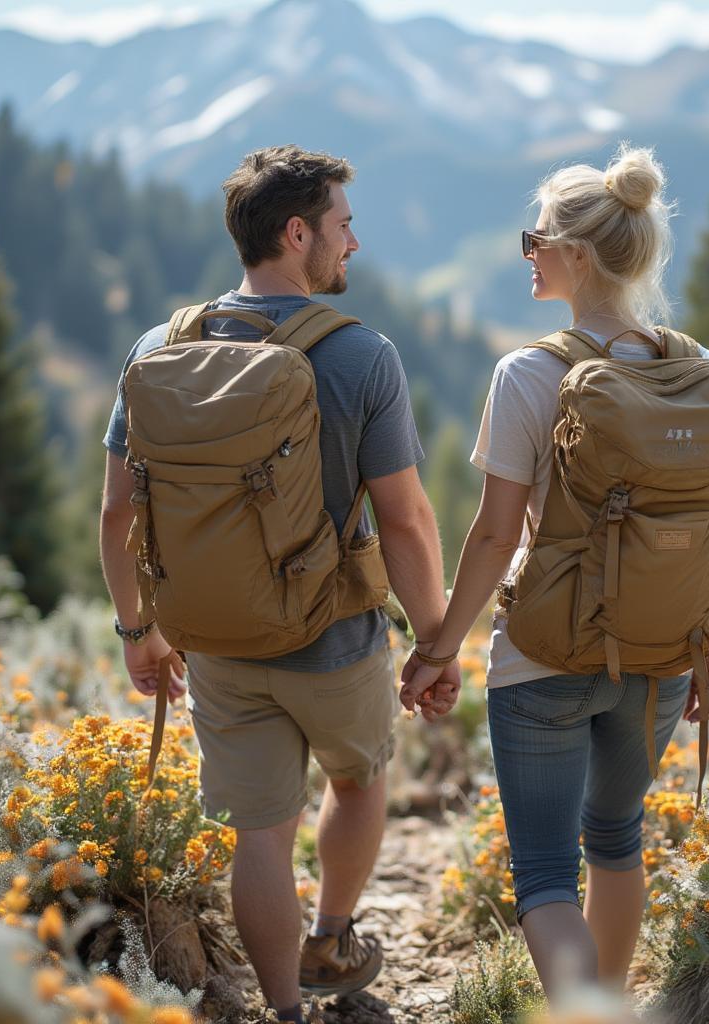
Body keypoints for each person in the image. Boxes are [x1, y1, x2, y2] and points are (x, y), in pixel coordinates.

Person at [100, 145, 459, 1024]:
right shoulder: (360, 355)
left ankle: (286, 1010)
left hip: (215, 641)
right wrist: (434, 643)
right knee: (359, 781)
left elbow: (117, 515)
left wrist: (137, 631)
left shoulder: (161, 346)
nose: (354, 245)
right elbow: (407, 520)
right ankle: (333, 936)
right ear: (297, 233)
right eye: (343, 226)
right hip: (333, 639)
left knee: (260, 832)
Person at [400, 145, 709, 1001]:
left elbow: (492, 536)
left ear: (578, 256)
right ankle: (609, 1007)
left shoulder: (528, 373)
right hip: (661, 651)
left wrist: (438, 648)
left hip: (544, 655)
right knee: (617, 843)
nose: (529, 253)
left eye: (537, 239)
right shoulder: (692, 370)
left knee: (547, 876)